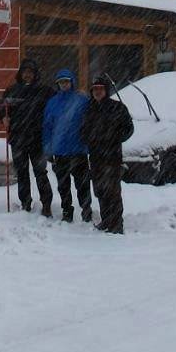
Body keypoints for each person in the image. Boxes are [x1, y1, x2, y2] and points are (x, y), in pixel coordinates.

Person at [80, 74, 134, 234]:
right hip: (96, 157)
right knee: (100, 190)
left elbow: (129, 128)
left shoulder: (117, 107)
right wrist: (88, 139)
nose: (97, 92)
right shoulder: (89, 109)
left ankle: (117, 224)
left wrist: (115, 138)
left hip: (112, 156)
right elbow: (83, 130)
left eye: (100, 89)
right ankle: (106, 220)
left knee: (113, 191)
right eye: (95, 89)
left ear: (106, 90)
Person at [3, 58, 54, 215]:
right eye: (25, 72)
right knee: (22, 173)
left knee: (40, 172)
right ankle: (25, 202)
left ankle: (46, 204)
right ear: (21, 74)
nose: (27, 75)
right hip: (18, 139)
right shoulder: (11, 90)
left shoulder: (44, 91)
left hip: (37, 139)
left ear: (35, 74)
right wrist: (3, 118)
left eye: (30, 72)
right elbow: (3, 108)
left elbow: (59, 101)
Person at [41, 69, 91, 223]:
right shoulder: (52, 103)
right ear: (58, 84)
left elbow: (90, 122)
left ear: (72, 82)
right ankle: (67, 210)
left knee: (82, 184)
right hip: (60, 150)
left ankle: (86, 210)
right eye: (61, 82)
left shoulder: (82, 100)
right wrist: (47, 149)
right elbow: (47, 127)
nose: (64, 84)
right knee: (63, 185)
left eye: (66, 81)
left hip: (79, 150)